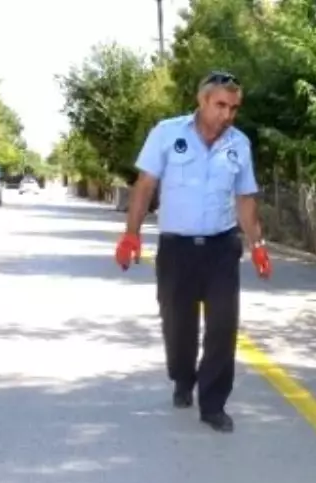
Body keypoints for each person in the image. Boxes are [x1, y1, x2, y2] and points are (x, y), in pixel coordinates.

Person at [114, 70, 273, 433]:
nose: (227, 115)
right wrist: (131, 234)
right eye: (221, 105)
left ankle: (213, 403)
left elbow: (245, 199)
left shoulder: (239, 144)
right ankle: (183, 379)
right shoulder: (167, 133)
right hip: (177, 248)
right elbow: (145, 186)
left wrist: (258, 245)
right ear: (202, 101)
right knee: (178, 325)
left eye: (233, 108)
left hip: (221, 246)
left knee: (222, 326)